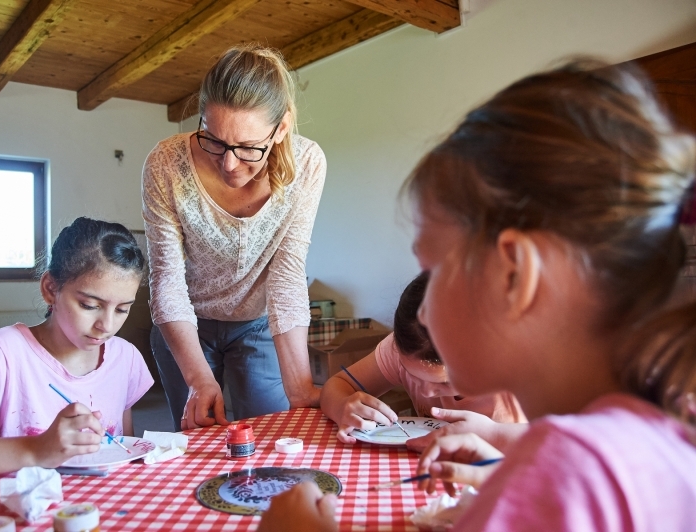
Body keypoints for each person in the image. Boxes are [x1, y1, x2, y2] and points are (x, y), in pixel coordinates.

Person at [258, 60, 696, 532]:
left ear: (514, 276)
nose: (423, 311)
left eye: (433, 271)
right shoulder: (657, 433)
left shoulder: (567, 476)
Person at [142, 44, 326, 431]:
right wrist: (198, 380)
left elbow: (287, 274)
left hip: (257, 323)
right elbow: (167, 278)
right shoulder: (166, 162)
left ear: (281, 129)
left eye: (247, 148)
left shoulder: (308, 163)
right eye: (214, 139)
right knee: (197, 439)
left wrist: (300, 388)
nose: (228, 164)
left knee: (271, 433)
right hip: (186, 322)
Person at [0, 217, 154, 479]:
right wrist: (36, 449)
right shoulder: (4, 353)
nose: (107, 325)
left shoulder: (125, 357)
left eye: (122, 309)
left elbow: (124, 455)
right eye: (90, 305)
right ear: (51, 289)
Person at [320, 272, 526, 446]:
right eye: (412, 374)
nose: (426, 392)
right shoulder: (402, 348)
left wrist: (494, 434)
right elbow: (337, 384)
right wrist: (342, 406)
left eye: (445, 382)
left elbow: (548, 441)